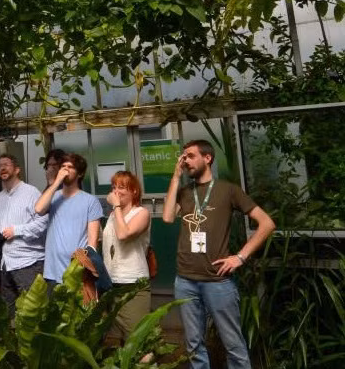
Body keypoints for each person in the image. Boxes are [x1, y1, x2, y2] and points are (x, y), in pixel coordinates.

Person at [163, 140, 275, 369]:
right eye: (183, 157)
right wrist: (175, 177)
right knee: (194, 345)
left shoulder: (228, 189)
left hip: (218, 281)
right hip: (185, 280)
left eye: (191, 156)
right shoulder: (185, 192)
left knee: (233, 344)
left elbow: (267, 223)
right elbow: (166, 217)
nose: (186, 161)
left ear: (208, 158)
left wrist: (240, 257)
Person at [0, 153, 49, 316]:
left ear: (17, 169)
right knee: (9, 315)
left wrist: (17, 230)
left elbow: (44, 222)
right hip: (6, 264)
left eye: (6, 164)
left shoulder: (31, 193)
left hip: (28, 262)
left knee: (33, 314)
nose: (2, 167)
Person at [35, 153, 103, 285]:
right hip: (52, 272)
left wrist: (86, 268)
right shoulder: (53, 196)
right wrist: (56, 182)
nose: (65, 170)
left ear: (80, 174)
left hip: (77, 273)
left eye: (70, 167)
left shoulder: (90, 201)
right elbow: (38, 209)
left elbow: (92, 243)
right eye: (63, 166)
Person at [102, 170, 151, 341]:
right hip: (111, 282)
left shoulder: (142, 213)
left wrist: (115, 206)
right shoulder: (112, 216)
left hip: (133, 283)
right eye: (114, 187)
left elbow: (124, 235)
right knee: (124, 340)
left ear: (134, 191)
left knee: (138, 340)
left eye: (121, 187)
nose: (116, 191)